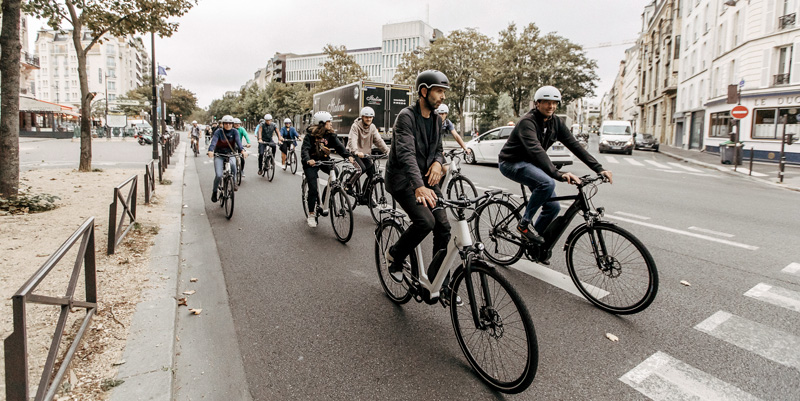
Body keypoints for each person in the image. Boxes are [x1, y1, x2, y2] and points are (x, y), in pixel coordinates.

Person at [498, 85, 613, 246]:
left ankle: (532, 245)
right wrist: (558, 174)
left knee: (553, 207)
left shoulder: (556, 123)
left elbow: (575, 146)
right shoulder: (527, 122)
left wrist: (599, 168)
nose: (551, 106)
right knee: (547, 182)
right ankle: (524, 225)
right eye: (546, 102)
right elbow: (536, 151)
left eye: (554, 103)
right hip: (511, 163)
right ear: (537, 103)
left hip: (530, 164)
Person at [384, 70, 450, 280]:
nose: (443, 97)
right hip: (404, 180)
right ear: (424, 91)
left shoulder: (437, 121)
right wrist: (418, 186)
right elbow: (406, 155)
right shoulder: (406, 117)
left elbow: (438, 149)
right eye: (439, 91)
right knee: (425, 222)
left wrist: (439, 163)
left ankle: (438, 278)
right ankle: (395, 255)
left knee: (444, 227)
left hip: (426, 179)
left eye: (444, 92)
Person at [301, 111, 353, 228]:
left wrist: (348, 156)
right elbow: (305, 149)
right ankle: (311, 214)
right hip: (311, 162)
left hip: (324, 159)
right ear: (321, 123)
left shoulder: (331, 135)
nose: (331, 124)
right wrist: (308, 159)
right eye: (329, 122)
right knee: (313, 188)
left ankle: (326, 198)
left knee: (335, 171)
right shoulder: (310, 135)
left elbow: (339, 147)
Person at [346, 106, 389, 205]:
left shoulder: (372, 127)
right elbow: (353, 140)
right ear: (362, 117)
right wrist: (356, 151)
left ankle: (366, 196)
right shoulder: (355, 126)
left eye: (370, 117)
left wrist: (387, 151)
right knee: (361, 168)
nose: (368, 119)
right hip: (354, 153)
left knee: (373, 173)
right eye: (366, 117)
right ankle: (349, 184)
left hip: (366, 154)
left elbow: (378, 140)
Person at [207, 115, 246, 202]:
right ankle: (214, 192)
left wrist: (242, 150)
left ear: (232, 124)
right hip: (219, 155)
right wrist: (211, 150)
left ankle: (234, 182)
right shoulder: (218, 132)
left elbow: (238, 142)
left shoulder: (235, 131)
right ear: (223, 124)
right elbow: (214, 141)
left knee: (233, 166)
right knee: (219, 175)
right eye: (226, 123)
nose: (228, 125)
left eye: (230, 123)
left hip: (230, 154)